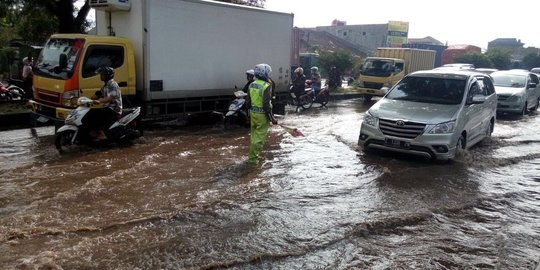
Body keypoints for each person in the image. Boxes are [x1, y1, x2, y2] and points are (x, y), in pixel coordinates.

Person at [245, 63, 278, 165]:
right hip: (262, 116)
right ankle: (252, 161)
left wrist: (248, 114)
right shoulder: (266, 86)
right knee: (258, 140)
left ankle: (253, 156)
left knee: (254, 137)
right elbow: (266, 105)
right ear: (264, 73)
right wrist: (272, 118)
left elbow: (248, 102)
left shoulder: (251, 84)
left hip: (253, 114)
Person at [84, 66, 123, 141]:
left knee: (97, 114)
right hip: (107, 107)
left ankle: (102, 134)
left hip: (114, 109)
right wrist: (87, 100)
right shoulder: (105, 86)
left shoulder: (113, 85)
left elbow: (111, 98)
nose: (101, 76)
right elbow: (97, 95)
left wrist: (100, 101)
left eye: (102, 74)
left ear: (108, 75)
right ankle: (93, 132)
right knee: (90, 112)